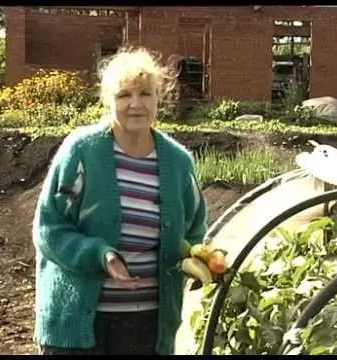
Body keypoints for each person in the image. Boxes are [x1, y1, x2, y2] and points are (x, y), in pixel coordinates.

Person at [32, 46, 208, 355]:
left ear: (159, 98)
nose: (135, 104)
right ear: (108, 100)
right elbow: (49, 228)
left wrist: (194, 263)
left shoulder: (178, 162)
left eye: (145, 94)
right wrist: (101, 255)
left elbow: (194, 229)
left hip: (148, 325)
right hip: (78, 324)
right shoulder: (82, 151)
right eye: (124, 95)